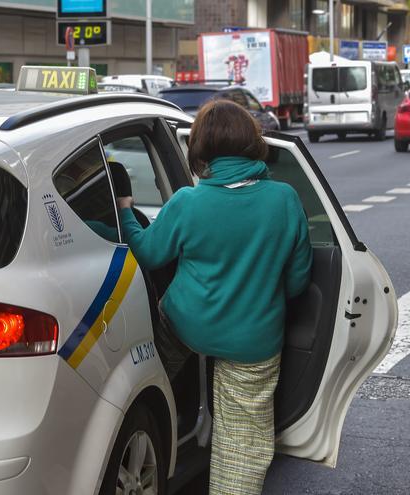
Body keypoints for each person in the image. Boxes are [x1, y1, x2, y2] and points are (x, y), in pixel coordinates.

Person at [116, 99, 313, 495]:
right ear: (253, 144)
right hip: (252, 340)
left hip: (186, 326)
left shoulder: (189, 203)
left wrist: (124, 210)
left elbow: (150, 253)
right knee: (243, 444)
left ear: (200, 150)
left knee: (150, 373)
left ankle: (160, 421)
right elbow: (297, 280)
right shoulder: (285, 199)